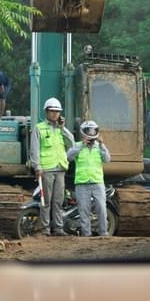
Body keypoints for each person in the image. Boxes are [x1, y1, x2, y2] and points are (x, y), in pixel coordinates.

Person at [30, 97, 74, 236]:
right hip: (46, 170)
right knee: (46, 201)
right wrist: (37, 167)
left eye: (57, 111)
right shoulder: (39, 128)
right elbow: (34, 149)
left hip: (60, 168)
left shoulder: (61, 129)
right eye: (52, 111)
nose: (55, 114)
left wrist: (63, 128)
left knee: (58, 201)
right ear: (46, 112)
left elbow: (71, 144)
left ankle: (58, 229)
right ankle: (45, 229)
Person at [66, 120, 111, 236]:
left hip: (97, 182)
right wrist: (82, 145)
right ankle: (86, 235)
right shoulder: (77, 145)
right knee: (83, 210)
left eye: (93, 130)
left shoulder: (99, 146)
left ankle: (104, 233)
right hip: (82, 183)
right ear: (83, 132)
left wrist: (102, 145)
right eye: (88, 131)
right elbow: (68, 157)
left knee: (101, 209)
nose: (91, 133)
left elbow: (107, 159)